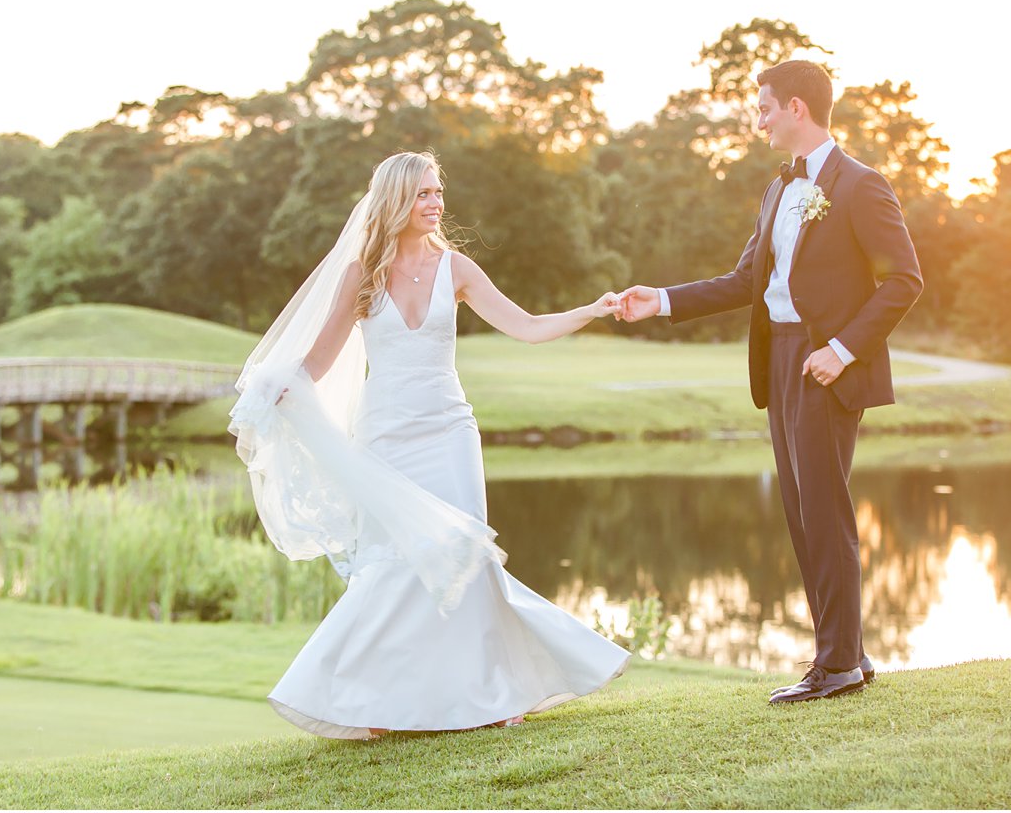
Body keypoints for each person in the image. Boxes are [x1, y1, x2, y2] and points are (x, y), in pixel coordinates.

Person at [229, 150, 629, 740]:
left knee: (465, 557)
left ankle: (493, 696)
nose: (436, 203)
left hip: (449, 431)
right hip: (386, 435)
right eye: (422, 194)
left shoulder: (457, 269)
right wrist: (277, 388)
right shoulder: (362, 273)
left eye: (438, 191)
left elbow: (526, 326)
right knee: (393, 566)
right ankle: (379, 706)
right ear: (395, 200)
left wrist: (593, 309)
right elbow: (319, 359)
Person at [617, 60, 922, 703]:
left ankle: (836, 665)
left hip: (823, 365)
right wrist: (663, 301)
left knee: (824, 509)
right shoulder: (776, 190)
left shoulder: (862, 185)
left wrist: (841, 350)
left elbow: (903, 282)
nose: (757, 119)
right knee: (801, 511)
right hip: (779, 361)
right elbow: (743, 282)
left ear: (796, 109)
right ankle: (848, 654)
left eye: (763, 108)